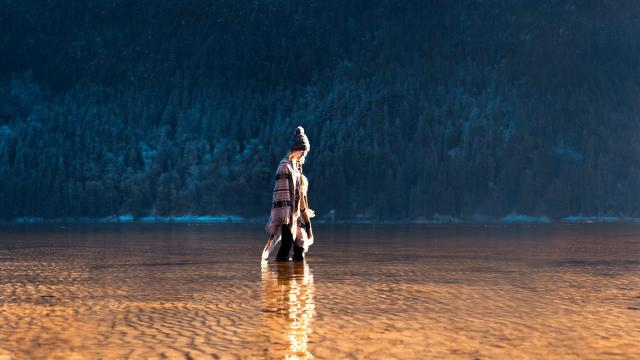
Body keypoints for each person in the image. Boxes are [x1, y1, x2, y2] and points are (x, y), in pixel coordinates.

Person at [264, 126, 315, 261]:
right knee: (286, 246)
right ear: (296, 149)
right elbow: (280, 194)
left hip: (295, 215)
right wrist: (285, 216)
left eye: (305, 151)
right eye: (302, 151)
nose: (303, 154)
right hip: (285, 214)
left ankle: (296, 279)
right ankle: (283, 278)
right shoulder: (285, 166)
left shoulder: (296, 167)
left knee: (300, 246)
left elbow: (300, 194)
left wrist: (303, 216)